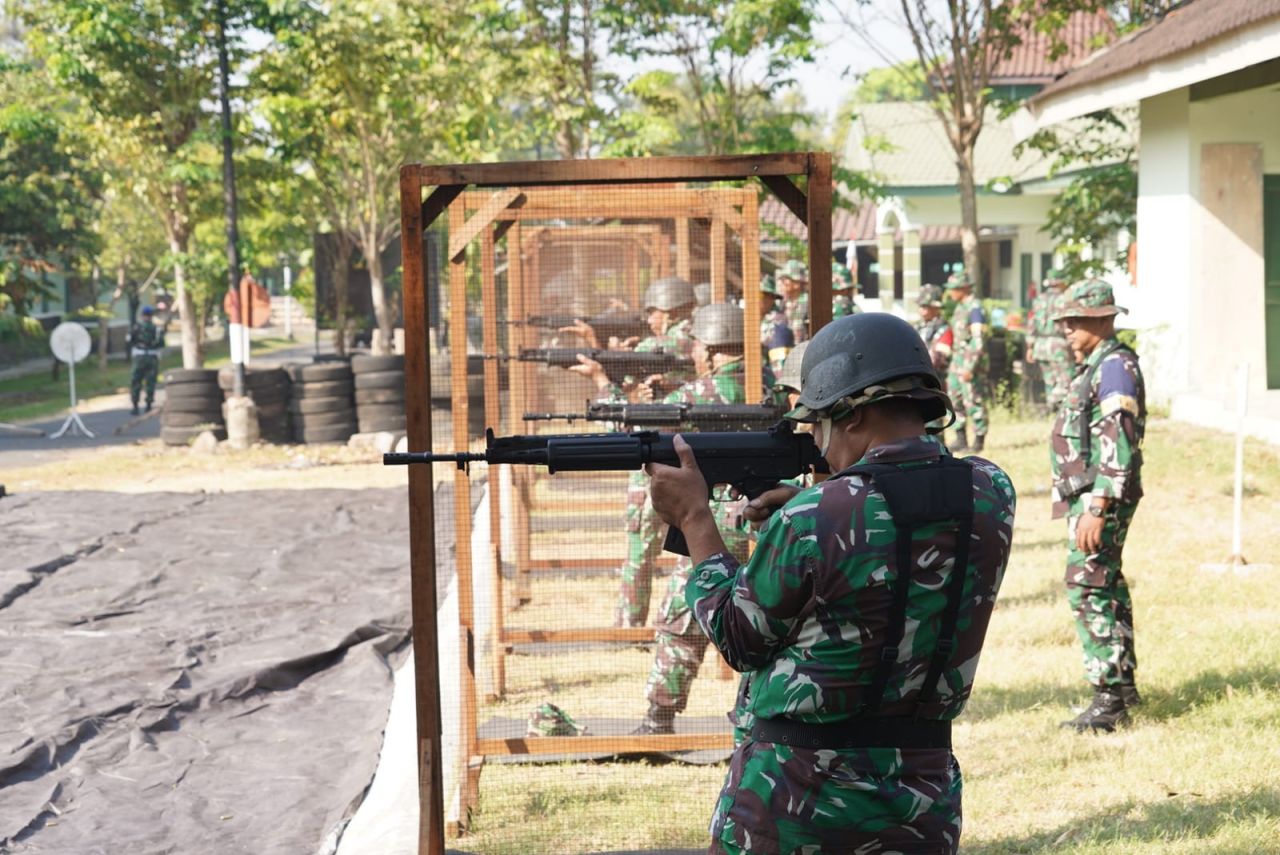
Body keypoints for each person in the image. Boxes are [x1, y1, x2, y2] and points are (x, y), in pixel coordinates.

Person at [645, 312, 1016, 853]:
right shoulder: (991, 491)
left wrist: (694, 519)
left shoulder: (814, 517)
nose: (817, 442)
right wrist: (813, 505)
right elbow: (906, 524)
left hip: (796, 802)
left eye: (818, 422)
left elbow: (738, 638)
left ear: (853, 414)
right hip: (921, 802)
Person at [632, 303, 773, 736]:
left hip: (712, 523)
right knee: (766, 615)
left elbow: (644, 438)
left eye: (696, 345)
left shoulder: (692, 396)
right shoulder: (772, 388)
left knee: (682, 613)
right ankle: (751, 717)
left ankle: (659, 717)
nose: (692, 352)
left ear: (710, 349)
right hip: (769, 517)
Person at [569, 277, 698, 628]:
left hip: (658, 455)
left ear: (669, 311)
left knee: (641, 545)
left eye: (652, 312)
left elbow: (625, 401)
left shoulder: (663, 343)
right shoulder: (697, 341)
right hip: (690, 455)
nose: (649, 320)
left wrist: (603, 369)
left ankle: (629, 623)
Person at [1050, 279, 1146, 733]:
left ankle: (1108, 700)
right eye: (1066, 321)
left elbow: (1117, 437)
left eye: (1077, 321)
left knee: (1087, 584)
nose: (1067, 329)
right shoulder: (1097, 365)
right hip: (1090, 494)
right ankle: (1123, 686)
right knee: (1106, 583)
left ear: (1104, 320)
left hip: (1099, 497)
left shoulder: (1114, 367)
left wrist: (1098, 505)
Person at [944, 272, 989, 453]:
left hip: (970, 363)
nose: (951, 293)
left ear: (964, 288)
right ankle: (960, 438)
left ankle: (978, 441)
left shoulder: (975, 309)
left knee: (973, 401)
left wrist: (970, 367)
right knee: (954, 399)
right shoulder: (959, 308)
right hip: (957, 361)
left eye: (954, 289)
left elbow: (978, 341)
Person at [1030, 270, 1074, 412]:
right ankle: (1062, 408)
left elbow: (1031, 323)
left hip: (1040, 344)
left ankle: (1051, 406)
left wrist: (1030, 346)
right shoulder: (1065, 300)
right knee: (1065, 377)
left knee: (1049, 379)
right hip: (1058, 344)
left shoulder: (1038, 299)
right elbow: (1069, 322)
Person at [127, 305, 165, 415]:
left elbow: (129, 341)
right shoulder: (157, 329)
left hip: (139, 357)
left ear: (142, 316)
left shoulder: (136, 328)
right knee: (150, 382)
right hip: (152, 357)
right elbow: (161, 343)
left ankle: (135, 406)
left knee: (136, 381)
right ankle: (148, 405)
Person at [776, 259, 810, 345]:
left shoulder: (806, 301)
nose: (782, 283)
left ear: (796, 283)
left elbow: (798, 328)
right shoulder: (783, 302)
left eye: (785, 279)